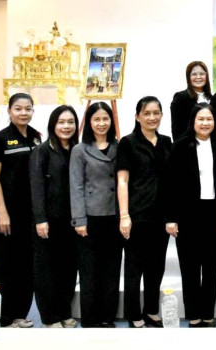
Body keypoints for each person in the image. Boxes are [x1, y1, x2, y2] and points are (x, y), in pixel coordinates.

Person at [166, 103, 216, 328]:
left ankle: (208, 313)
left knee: (211, 267)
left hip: (214, 213)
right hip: (187, 214)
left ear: (214, 121)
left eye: (209, 119)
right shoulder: (180, 146)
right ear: (193, 121)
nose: (205, 123)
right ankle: (193, 314)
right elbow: (170, 183)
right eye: (200, 119)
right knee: (189, 268)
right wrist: (171, 217)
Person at [0, 92, 41, 328]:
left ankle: (19, 314)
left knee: (26, 266)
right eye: (18, 108)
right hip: (6, 215)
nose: (23, 113)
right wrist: (2, 211)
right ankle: (1, 318)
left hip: (30, 215)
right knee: (3, 266)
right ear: (9, 111)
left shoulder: (36, 137)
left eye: (28, 109)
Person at [116, 96, 172, 328]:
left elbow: (171, 180)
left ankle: (151, 310)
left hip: (161, 216)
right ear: (137, 116)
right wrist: (124, 215)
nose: (152, 117)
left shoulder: (167, 142)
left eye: (156, 113)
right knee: (134, 267)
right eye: (147, 113)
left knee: (156, 267)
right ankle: (134, 314)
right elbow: (122, 180)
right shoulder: (128, 143)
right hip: (136, 214)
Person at [70, 102, 122, 328]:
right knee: (89, 271)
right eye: (97, 119)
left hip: (114, 216)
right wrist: (79, 219)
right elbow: (76, 186)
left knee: (111, 269)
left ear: (111, 121)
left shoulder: (120, 146)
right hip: (90, 218)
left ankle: (108, 317)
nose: (102, 123)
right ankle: (90, 319)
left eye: (105, 119)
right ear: (89, 123)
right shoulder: (79, 150)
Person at [29, 105, 79, 328]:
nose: (66, 126)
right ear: (53, 125)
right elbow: (36, 186)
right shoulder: (42, 150)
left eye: (70, 122)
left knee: (68, 269)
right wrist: (40, 218)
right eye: (61, 122)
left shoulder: (77, 149)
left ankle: (64, 312)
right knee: (47, 271)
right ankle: (50, 317)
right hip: (49, 221)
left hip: (72, 220)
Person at [170, 61, 213, 140]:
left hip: (210, 144)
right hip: (189, 144)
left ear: (206, 76)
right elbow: (177, 129)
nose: (198, 77)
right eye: (194, 74)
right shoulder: (180, 97)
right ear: (188, 77)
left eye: (202, 74)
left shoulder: (213, 98)